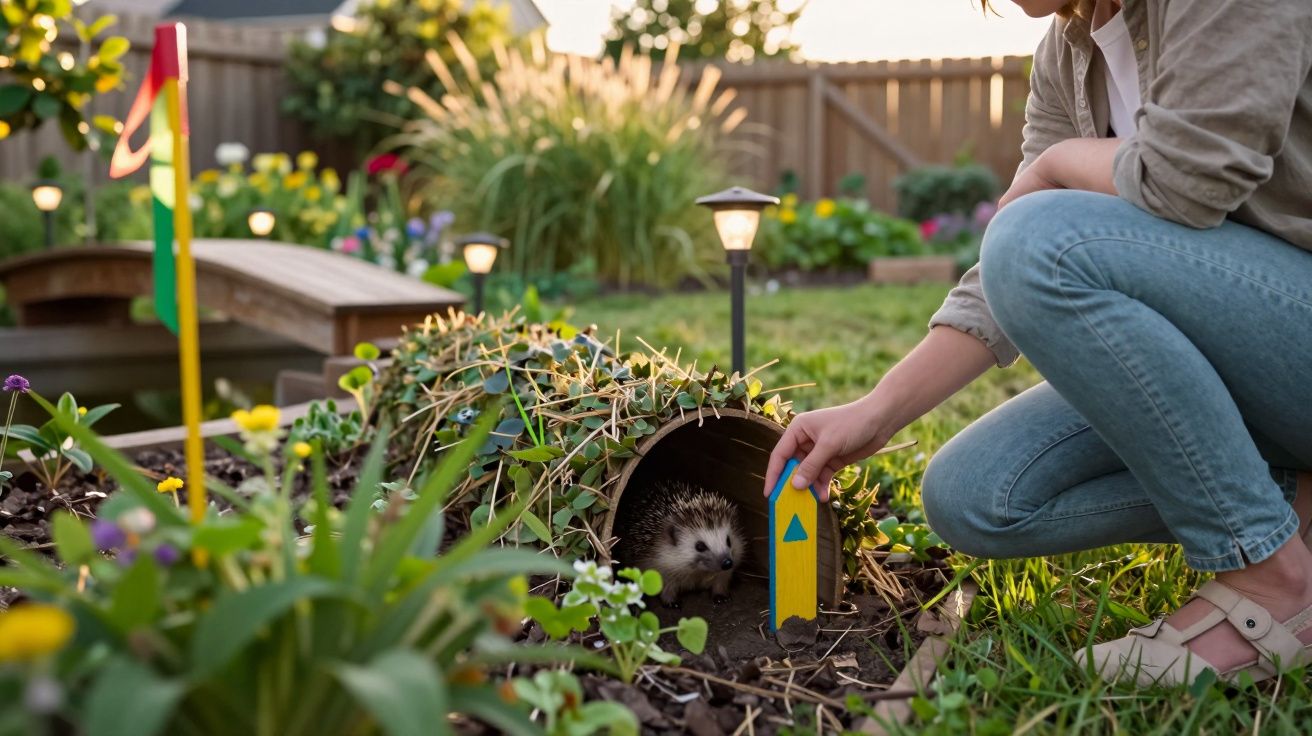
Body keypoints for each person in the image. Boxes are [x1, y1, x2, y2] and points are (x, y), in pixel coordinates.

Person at [764, 0, 1312, 687]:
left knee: (1036, 240)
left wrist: (1056, 163)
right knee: (974, 494)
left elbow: (1187, 179)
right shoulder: (1068, 48)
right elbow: (1011, 263)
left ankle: (1272, 579)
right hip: (1264, 369)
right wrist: (879, 409)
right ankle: (1289, 505)